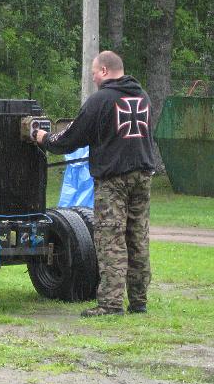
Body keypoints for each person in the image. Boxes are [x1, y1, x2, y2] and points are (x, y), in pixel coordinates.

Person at [35, 50, 155, 317]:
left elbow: (71, 137)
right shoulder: (143, 97)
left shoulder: (101, 100)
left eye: (93, 74)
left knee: (110, 239)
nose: (93, 80)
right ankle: (139, 301)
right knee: (137, 238)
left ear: (103, 71)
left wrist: (44, 138)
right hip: (143, 176)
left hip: (113, 180)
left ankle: (110, 304)